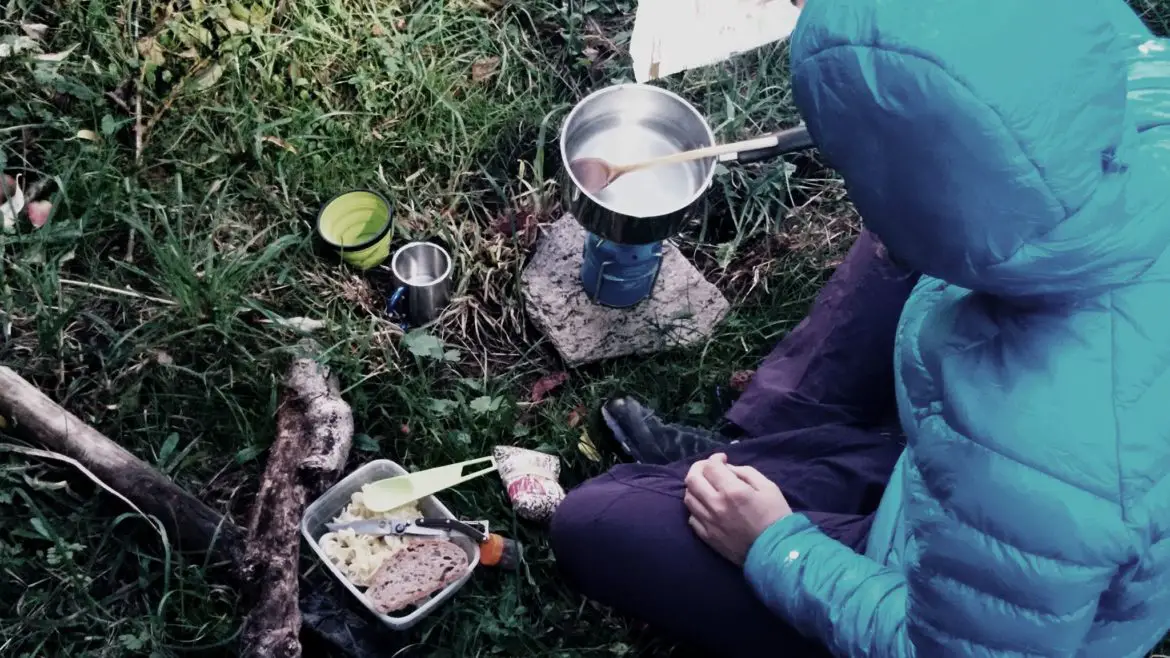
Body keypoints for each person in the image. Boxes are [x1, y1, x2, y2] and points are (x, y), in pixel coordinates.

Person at [550, 0, 1170, 656]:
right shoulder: (1141, 95)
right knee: (895, 236)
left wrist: (777, 547)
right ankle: (757, 447)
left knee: (598, 519)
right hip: (1010, 460)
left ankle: (775, 478)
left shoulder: (1037, 459)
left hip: (962, 578)